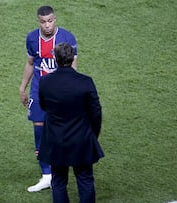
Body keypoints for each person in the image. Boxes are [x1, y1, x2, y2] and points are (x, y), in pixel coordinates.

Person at [19, 6, 78, 192]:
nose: (47, 25)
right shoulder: (31, 38)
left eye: (50, 20)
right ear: (38, 21)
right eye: (43, 21)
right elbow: (30, 63)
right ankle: (46, 175)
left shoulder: (67, 38)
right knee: (39, 129)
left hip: (60, 92)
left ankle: (60, 171)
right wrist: (23, 87)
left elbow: (73, 68)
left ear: (55, 19)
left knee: (61, 132)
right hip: (39, 91)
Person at [38, 42, 104, 203]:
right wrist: (92, 134)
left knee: (59, 181)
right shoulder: (85, 82)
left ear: (55, 58)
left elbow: (43, 106)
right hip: (81, 139)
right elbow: (96, 113)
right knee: (85, 179)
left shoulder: (45, 82)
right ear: (73, 58)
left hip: (56, 139)